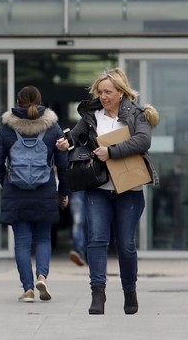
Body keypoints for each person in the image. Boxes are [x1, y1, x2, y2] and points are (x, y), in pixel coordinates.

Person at [55, 67, 159, 315]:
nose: (103, 96)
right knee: (97, 240)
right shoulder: (92, 116)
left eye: (108, 92)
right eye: (100, 92)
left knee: (125, 244)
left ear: (121, 92)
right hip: (98, 188)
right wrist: (66, 142)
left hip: (129, 189)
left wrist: (111, 151)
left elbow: (143, 140)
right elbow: (76, 137)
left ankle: (129, 291)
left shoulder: (136, 114)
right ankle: (97, 294)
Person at [0, 86, 70, 303]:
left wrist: (7, 182)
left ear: (18, 102)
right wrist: (63, 192)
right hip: (45, 191)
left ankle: (28, 289)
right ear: (40, 101)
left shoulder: (6, 128)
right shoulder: (53, 128)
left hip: (16, 193)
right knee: (43, 238)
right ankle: (41, 276)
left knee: (22, 243)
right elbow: (63, 164)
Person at [69, 189, 88, 266]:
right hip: (78, 189)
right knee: (79, 222)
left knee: (79, 223)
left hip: (79, 190)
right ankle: (79, 251)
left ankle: (82, 252)